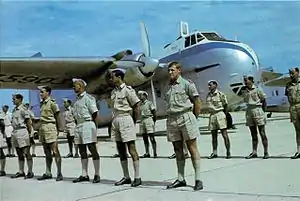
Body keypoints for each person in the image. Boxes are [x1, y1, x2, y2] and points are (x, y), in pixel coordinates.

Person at [165, 61, 203, 191]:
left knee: (192, 148)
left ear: (179, 70)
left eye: (172, 70)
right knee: (178, 150)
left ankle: (198, 179)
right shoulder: (167, 87)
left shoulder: (187, 84)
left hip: (186, 117)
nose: (170, 72)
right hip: (172, 119)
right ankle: (181, 179)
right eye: (169, 70)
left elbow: (197, 102)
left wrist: (193, 118)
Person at [107, 68, 141, 187]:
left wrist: (134, 121)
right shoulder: (113, 92)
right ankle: (126, 176)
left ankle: (137, 177)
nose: (111, 79)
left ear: (119, 77)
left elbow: (136, 105)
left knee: (131, 148)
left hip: (126, 118)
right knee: (121, 150)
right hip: (116, 119)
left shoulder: (128, 90)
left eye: (113, 77)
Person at [72, 78, 101, 183]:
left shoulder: (88, 98)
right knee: (82, 150)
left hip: (88, 124)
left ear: (81, 86)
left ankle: (97, 174)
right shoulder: (76, 101)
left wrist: (95, 130)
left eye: (75, 85)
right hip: (79, 125)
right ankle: (84, 174)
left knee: (92, 149)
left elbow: (95, 114)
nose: (74, 87)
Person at [37, 86, 63, 181]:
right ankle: (48, 172)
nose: (40, 94)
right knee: (46, 152)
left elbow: (57, 116)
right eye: (40, 92)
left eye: (42, 92)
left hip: (50, 127)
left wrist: (59, 128)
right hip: (43, 128)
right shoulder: (41, 104)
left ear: (48, 93)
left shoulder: (52, 103)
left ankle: (59, 173)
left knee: (55, 151)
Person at [242, 76, 269, 159]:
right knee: (253, 133)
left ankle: (266, 152)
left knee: (262, 132)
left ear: (251, 81)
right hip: (249, 110)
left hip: (257, 109)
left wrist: (262, 111)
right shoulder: (244, 90)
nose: (245, 82)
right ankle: (254, 152)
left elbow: (264, 100)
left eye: (247, 80)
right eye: (245, 81)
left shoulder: (258, 89)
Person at [10, 94, 34, 179]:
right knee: (19, 152)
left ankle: (30, 172)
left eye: (14, 99)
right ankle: (21, 171)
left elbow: (28, 121)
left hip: (22, 131)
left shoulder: (23, 109)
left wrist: (30, 132)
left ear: (19, 99)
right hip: (15, 131)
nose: (12, 100)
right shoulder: (14, 110)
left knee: (26, 152)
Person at [206, 80, 231, 159]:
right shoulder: (208, 95)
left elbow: (226, 105)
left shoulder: (221, 94)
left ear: (215, 85)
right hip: (212, 115)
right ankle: (214, 152)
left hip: (220, 114)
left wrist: (225, 115)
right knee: (213, 135)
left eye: (210, 85)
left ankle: (228, 152)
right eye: (208, 85)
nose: (209, 87)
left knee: (224, 134)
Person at [285, 67, 300, 159]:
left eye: (293, 73)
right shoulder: (288, 85)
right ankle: (299, 151)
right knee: (298, 131)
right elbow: (287, 96)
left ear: (298, 72)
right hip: (293, 108)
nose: (291, 75)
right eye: (290, 73)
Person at [138, 90, 157, 158]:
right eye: (139, 95)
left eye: (141, 95)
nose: (140, 96)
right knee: (144, 138)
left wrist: (153, 121)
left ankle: (155, 153)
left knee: (151, 137)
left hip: (149, 119)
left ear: (145, 96)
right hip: (142, 120)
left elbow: (154, 112)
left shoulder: (149, 103)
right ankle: (147, 152)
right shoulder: (140, 104)